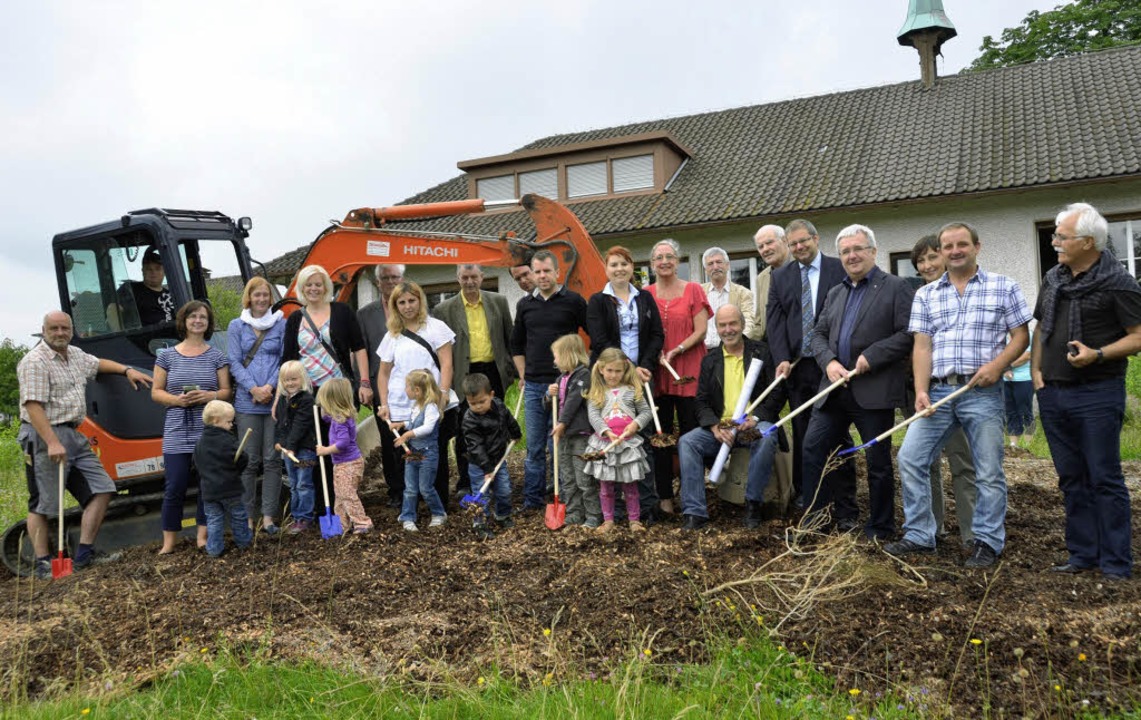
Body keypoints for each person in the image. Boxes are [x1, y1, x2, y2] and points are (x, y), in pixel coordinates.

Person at [887, 222, 1031, 569]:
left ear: (976, 247)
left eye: (961, 245)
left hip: (981, 391)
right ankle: (921, 535)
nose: (954, 251)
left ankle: (986, 541)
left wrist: (997, 366)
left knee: (987, 469)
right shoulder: (926, 294)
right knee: (911, 457)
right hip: (938, 392)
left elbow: (1021, 337)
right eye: (947, 246)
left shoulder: (1003, 286)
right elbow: (922, 346)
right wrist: (921, 390)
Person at [1033, 202, 1141, 581]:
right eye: (1056, 234)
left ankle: (1115, 564)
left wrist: (1098, 354)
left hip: (1097, 393)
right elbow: (1041, 325)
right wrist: (1036, 373)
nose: (1056, 241)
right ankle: (1082, 555)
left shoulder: (1119, 282)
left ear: (1089, 242)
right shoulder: (1054, 278)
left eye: (1062, 236)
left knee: (1104, 478)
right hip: (1054, 393)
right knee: (1071, 478)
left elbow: (1138, 337)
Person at [800, 225, 914, 540]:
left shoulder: (896, 287)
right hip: (834, 389)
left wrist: (872, 357)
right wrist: (830, 362)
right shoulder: (836, 292)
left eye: (858, 249)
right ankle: (817, 521)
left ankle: (879, 527)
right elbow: (817, 335)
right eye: (846, 251)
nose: (852, 256)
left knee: (877, 462)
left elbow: (907, 334)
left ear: (873, 252)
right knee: (813, 449)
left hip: (873, 390)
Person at [17, 311, 150, 578]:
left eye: (64, 328)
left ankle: (85, 555)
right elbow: (33, 406)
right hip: (44, 435)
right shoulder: (35, 362)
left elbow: (99, 364)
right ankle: (44, 562)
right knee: (43, 502)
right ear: (43, 330)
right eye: (53, 328)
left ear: (71, 330)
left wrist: (127, 370)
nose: (59, 333)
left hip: (74, 434)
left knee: (103, 488)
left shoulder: (75, 355)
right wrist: (52, 442)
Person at [766, 219, 856, 516]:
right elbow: (775, 322)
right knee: (804, 431)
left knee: (838, 431)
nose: (799, 247)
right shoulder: (780, 277)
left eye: (803, 241)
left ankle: (844, 501)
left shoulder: (838, 269)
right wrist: (781, 357)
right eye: (793, 244)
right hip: (798, 368)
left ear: (816, 239)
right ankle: (809, 496)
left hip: (832, 364)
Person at [678, 305, 783, 530]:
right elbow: (702, 400)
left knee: (766, 435)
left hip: (751, 421)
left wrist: (755, 418)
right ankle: (694, 512)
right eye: (722, 325)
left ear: (742, 325)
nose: (728, 329)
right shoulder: (710, 359)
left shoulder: (761, 352)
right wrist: (714, 426)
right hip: (723, 425)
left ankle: (753, 503)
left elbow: (777, 392)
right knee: (688, 442)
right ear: (716, 328)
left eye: (733, 323)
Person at [282, 264, 374, 510]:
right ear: (302, 289)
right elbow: (288, 360)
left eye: (318, 284)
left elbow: (359, 348)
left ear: (326, 286)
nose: (314, 288)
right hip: (308, 395)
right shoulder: (295, 319)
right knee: (315, 449)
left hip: (338, 392)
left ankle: (346, 501)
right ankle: (323, 507)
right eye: (308, 285)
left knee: (341, 448)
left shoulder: (342, 312)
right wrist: (280, 398)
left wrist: (364, 382)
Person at [585, 245, 664, 521]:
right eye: (614, 265)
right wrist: (624, 368)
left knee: (640, 440)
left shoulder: (644, 297)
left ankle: (645, 507)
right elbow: (599, 338)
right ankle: (614, 510)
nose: (620, 269)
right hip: (610, 378)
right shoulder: (597, 301)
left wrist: (645, 365)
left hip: (641, 375)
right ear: (606, 270)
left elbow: (656, 334)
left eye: (624, 264)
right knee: (611, 436)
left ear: (633, 268)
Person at [909, 235, 977, 545]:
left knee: (963, 461)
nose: (926, 265)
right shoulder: (919, 296)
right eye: (920, 261)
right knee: (925, 463)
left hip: (958, 391)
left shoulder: (964, 294)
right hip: (926, 392)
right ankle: (933, 528)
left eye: (931, 258)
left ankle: (971, 533)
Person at [511, 249, 588, 511]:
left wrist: (583, 369)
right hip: (534, 386)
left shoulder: (574, 302)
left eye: (547, 271)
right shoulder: (524, 305)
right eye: (538, 271)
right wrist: (523, 373)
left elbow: (592, 336)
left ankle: (564, 496)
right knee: (533, 447)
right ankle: (532, 501)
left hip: (565, 385)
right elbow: (516, 345)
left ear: (557, 272)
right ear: (532, 273)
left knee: (559, 444)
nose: (542, 276)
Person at [151, 301, 231, 554]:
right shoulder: (166, 356)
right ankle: (168, 543)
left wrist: (209, 396)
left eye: (203, 317)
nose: (198, 321)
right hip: (177, 429)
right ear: (183, 321)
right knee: (174, 486)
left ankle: (202, 537)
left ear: (208, 324)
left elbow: (226, 391)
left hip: (208, 429)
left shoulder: (217, 356)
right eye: (193, 316)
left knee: (206, 485)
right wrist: (177, 400)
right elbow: (155, 392)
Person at [431, 264, 516, 492]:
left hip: (493, 372)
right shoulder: (444, 309)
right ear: (458, 279)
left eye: (473, 277)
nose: (469, 282)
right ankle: (467, 480)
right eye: (464, 277)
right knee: (464, 428)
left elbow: (510, 338)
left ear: (482, 277)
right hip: (463, 374)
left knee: (497, 424)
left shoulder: (498, 302)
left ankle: (498, 474)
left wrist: (513, 371)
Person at [376, 281, 458, 510]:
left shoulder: (436, 327)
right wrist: (383, 403)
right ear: (395, 306)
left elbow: (447, 364)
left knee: (434, 455)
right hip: (401, 406)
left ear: (420, 300)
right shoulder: (392, 335)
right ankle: (410, 506)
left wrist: (442, 395)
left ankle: (438, 504)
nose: (407, 306)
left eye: (411, 300)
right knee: (405, 457)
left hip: (431, 403)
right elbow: (383, 374)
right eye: (401, 302)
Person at [645, 239, 711, 517]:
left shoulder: (693, 289)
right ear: (651, 264)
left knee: (690, 435)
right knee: (661, 437)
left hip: (688, 372)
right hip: (658, 375)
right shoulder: (645, 294)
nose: (664, 261)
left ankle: (691, 493)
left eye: (669, 256)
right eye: (658, 257)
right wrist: (653, 352)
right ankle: (664, 497)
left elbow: (702, 331)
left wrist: (677, 349)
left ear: (678, 260)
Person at [226, 277, 285, 535]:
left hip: (273, 402)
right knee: (249, 461)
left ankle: (269, 517)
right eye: (256, 295)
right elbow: (234, 362)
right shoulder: (236, 326)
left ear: (271, 298)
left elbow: (285, 358)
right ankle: (248, 519)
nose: (261, 299)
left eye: (265, 295)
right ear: (248, 298)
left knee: (273, 460)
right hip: (247, 403)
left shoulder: (281, 324)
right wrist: (253, 388)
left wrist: (270, 388)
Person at [581, 348, 653, 534]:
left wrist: (635, 425)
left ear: (625, 370)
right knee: (606, 485)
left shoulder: (632, 390)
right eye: (610, 370)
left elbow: (646, 412)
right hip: (605, 444)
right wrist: (606, 431)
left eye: (618, 371)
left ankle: (634, 520)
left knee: (630, 484)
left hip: (628, 445)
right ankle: (608, 519)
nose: (613, 375)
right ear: (601, 369)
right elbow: (593, 415)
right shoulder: (596, 392)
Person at [358, 264, 405, 508]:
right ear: (378, 283)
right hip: (382, 385)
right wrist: (364, 383)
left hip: (411, 385)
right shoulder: (366, 314)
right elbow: (361, 351)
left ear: (402, 279)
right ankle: (396, 490)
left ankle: (416, 487)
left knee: (413, 436)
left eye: (394, 277)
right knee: (388, 440)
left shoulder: (412, 306)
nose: (390, 281)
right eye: (385, 278)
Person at [461, 373, 523, 538]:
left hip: (498, 459)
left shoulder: (499, 405)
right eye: (472, 403)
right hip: (479, 464)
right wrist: (487, 468)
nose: (478, 407)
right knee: (482, 495)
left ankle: (502, 515)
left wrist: (515, 433)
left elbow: (508, 419)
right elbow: (476, 447)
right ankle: (480, 523)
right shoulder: (469, 420)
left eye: (482, 401)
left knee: (504, 490)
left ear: (492, 395)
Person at [194, 400, 252, 558]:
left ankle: (214, 549)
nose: (231, 425)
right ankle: (243, 543)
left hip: (209, 490)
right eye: (228, 421)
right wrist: (236, 470)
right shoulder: (227, 439)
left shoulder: (200, 442)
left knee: (213, 520)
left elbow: (197, 463)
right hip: (229, 488)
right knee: (238, 515)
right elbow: (242, 458)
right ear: (215, 420)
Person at [316, 377, 373, 534]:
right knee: (340, 497)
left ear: (332, 401)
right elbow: (324, 417)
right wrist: (321, 408)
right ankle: (342, 524)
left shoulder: (340, 420)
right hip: (341, 464)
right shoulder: (337, 417)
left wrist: (325, 450)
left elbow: (343, 443)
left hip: (349, 464)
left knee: (347, 494)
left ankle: (362, 522)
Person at [549, 334, 596, 528]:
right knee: (567, 477)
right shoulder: (561, 378)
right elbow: (554, 404)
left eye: (556, 356)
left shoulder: (583, 375)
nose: (554, 360)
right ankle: (575, 513)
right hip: (564, 436)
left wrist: (562, 423)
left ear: (569, 355)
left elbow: (572, 403)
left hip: (579, 434)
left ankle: (593, 514)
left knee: (583, 478)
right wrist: (548, 394)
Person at [394, 370, 447, 531]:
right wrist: (402, 425)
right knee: (410, 488)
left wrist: (407, 434)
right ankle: (407, 516)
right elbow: (415, 423)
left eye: (407, 387)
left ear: (417, 390)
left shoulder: (430, 407)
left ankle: (439, 513)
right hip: (413, 452)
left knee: (425, 488)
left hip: (427, 453)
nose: (405, 390)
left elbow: (428, 428)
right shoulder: (416, 406)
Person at [273, 361, 316, 534]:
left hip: (305, 450)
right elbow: (281, 424)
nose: (290, 383)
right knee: (293, 485)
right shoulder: (284, 400)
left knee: (303, 484)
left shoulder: (306, 399)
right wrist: (279, 441)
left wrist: (290, 446)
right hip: (288, 451)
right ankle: (297, 517)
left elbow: (300, 425)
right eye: (286, 380)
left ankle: (305, 518)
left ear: (302, 378)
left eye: (293, 379)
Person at [107, 246, 176, 330]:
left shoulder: (171, 295)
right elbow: (113, 309)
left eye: (157, 269)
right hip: (145, 339)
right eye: (149, 269)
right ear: (143, 271)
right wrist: (120, 335)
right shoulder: (130, 289)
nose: (153, 272)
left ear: (164, 272)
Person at [701, 247, 755, 348]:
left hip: (732, 350)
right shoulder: (698, 292)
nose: (715, 267)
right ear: (706, 270)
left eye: (719, 262)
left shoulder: (743, 293)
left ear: (727, 265)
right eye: (710, 264)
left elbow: (748, 323)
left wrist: (738, 344)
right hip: (703, 353)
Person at [749, 225, 792, 341]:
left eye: (769, 243)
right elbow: (759, 324)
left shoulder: (802, 267)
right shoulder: (761, 278)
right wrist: (743, 342)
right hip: (773, 350)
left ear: (784, 240)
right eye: (761, 246)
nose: (765, 249)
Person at [1004, 326, 1035, 449]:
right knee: (1010, 411)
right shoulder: (1005, 338)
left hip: (1025, 379)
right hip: (1007, 379)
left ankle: (1029, 443)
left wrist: (1007, 366)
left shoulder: (1029, 335)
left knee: (1025, 411)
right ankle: (1013, 444)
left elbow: (1027, 356)